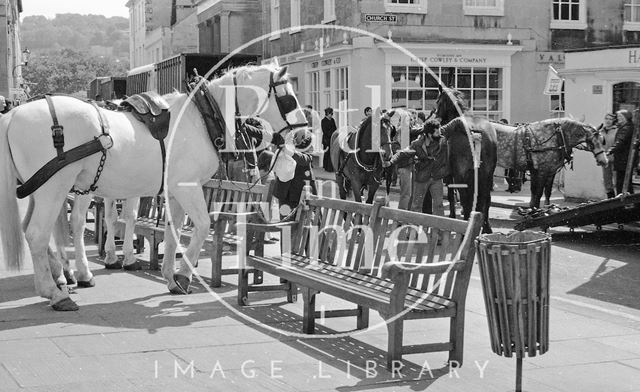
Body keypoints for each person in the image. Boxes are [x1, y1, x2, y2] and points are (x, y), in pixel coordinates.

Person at [385, 119, 448, 215]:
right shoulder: (417, 144)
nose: (440, 134)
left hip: (436, 177)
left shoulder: (442, 141)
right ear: (429, 134)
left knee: (439, 205)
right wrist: (391, 161)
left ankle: (439, 229)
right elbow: (403, 153)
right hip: (421, 177)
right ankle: (413, 228)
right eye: (437, 132)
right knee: (416, 205)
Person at [272, 129, 317, 218]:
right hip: (285, 192)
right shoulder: (287, 137)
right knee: (284, 223)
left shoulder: (306, 143)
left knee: (303, 223)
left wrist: (290, 151)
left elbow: (305, 159)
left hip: (300, 193)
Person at [608, 109, 638, 195]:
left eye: (620, 117)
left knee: (622, 183)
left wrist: (610, 150)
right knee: (625, 183)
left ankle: (624, 202)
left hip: (624, 160)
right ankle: (629, 202)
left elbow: (620, 141)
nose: (618, 118)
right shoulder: (627, 127)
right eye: (618, 117)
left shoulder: (626, 128)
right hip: (624, 159)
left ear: (626, 118)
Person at [598, 113, 618, 198]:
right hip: (605, 159)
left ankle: (619, 198)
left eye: (610, 119)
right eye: (606, 119)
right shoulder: (600, 131)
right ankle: (610, 199)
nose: (608, 121)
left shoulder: (617, 130)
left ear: (613, 121)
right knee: (607, 181)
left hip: (615, 158)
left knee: (616, 181)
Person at [321, 107, 337, 172]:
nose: (331, 115)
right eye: (330, 113)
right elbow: (324, 131)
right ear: (327, 113)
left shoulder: (332, 120)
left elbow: (335, 128)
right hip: (326, 139)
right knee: (327, 153)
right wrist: (331, 133)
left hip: (332, 138)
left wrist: (334, 134)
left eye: (332, 113)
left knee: (331, 152)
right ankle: (327, 167)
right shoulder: (323, 121)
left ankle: (330, 167)